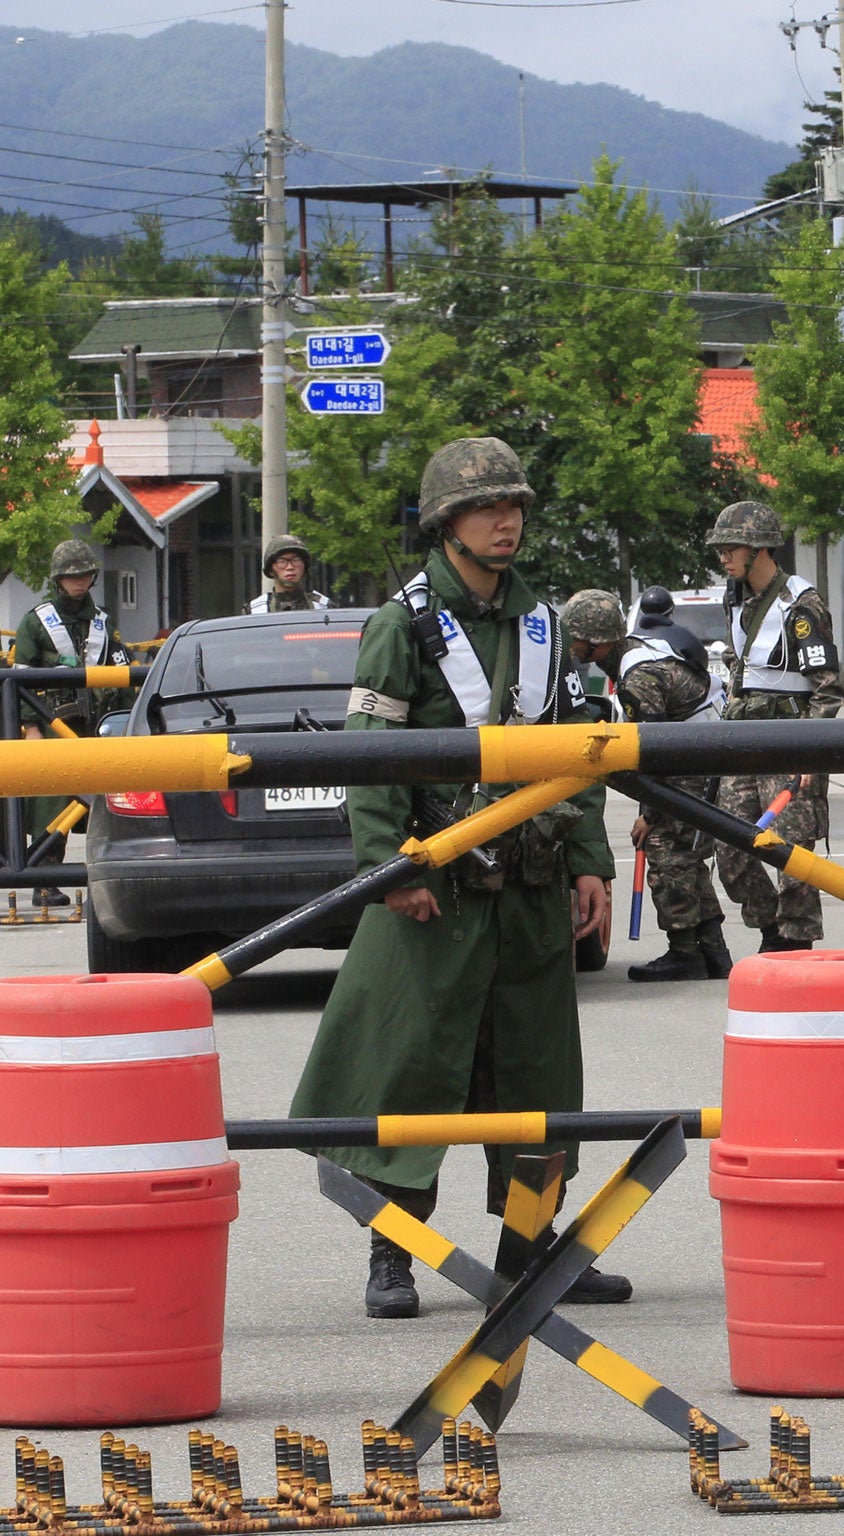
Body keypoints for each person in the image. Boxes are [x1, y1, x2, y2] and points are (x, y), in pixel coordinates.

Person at [287, 436, 625, 1319]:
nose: (505, 520)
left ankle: (534, 1250)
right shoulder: (398, 624)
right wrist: (386, 869)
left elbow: (576, 757)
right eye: (486, 509)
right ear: (445, 525)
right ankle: (394, 1250)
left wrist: (590, 861)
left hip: (531, 887)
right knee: (412, 1069)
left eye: (514, 506)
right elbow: (372, 756)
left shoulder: (543, 622)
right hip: (432, 887)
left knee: (538, 1074)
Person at [562, 588, 733, 983]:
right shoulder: (638, 652)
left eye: (574, 638)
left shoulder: (639, 677)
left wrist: (649, 814)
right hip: (702, 756)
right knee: (687, 858)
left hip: (693, 763)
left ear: (595, 642)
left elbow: (655, 753)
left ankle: (685, 953)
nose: (570, 647)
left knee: (666, 851)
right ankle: (713, 952)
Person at [706, 500, 843, 952]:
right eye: (721, 549)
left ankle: (795, 941)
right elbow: (741, 660)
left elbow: (827, 689)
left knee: (792, 853)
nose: (723, 557)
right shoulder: (736, 598)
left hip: (789, 740)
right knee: (729, 846)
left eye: (731, 548)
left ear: (759, 549)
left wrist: (809, 751)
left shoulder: (801, 605)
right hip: (744, 739)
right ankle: (770, 928)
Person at [12, 539, 128, 908]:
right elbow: (20, 678)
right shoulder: (35, 621)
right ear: (59, 579)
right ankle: (45, 881)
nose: (78, 581)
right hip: (50, 724)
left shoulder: (104, 622)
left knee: (106, 802)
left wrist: (127, 722)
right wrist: (30, 728)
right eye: (71, 575)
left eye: (84, 574)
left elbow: (122, 673)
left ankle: (109, 879)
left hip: (96, 724)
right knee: (52, 803)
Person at [248, 533, 331, 613]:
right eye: (282, 562)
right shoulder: (255, 611)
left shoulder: (323, 607)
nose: (290, 567)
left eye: (296, 560)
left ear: (304, 567)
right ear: (271, 570)